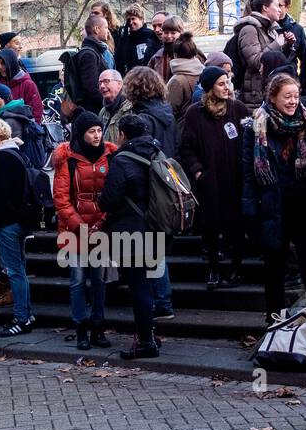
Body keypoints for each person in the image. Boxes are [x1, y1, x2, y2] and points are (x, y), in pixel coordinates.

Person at [241, 73, 306, 352]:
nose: (293, 101)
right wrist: (249, 210)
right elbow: (247, 173)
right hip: (272, 206)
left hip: (304, 206)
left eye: (295, 95)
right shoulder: (255, 126)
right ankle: (275, 328)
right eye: (287, 96)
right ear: (273, 97)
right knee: (274, 273)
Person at [98, 113, 162, 360]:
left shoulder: (123, 159)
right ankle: (151, 335)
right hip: (156, 227)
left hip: (131, 233)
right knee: (148, 284)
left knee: (138, 287)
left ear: (122, 135)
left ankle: (146, 341)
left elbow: (108, 200)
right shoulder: (156, 151)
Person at [178, 66, 248, 289]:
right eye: (221, 83)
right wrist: (198, 171)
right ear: (209, 87)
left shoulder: (238, 109)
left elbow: (248, 141)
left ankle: (235, 268)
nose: (226, 87)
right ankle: (214, 268)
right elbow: (186, 147)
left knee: (235, 226)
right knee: (209, 227)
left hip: (235, 180)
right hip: (209, 181)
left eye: (227, 82)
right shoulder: (194, 113)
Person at [53, 111, 116, 350]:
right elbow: (61, 198)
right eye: (92, 131)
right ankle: (81, 327)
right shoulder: (67, 159)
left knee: (99, 280)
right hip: (74, 227)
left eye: (99, 130)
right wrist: (80, 225)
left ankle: (98, 327)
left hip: (100, 224)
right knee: (78, 280)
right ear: (82, 133)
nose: (97, 135)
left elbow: (114, 191)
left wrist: (102, 221)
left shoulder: (110, 155)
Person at [121, 65, 177, 320]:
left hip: (148, 184)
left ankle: (162, 301)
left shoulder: (143, 118)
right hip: (165, 181)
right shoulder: (166, 113)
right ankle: (162, 300)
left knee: (152, 249)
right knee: (157, 248)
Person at [0, 118, 36, 336]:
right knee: (19, 270)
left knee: (14, 271)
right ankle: (26, 314)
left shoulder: (0, 157)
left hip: (7, 222)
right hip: (21, 220)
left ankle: (22, 318)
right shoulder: (19, 154)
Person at [233, 0, 292, 109]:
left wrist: (287, 45)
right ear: (265, 7)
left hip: (270, 92)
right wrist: (277, 44)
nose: (280, 10)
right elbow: (256, 62)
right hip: (255, 98)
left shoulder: (271, 30)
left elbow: (276, 62)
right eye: (277, 6)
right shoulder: (249, 29)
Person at [0, 48, 44, 124]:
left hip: (24, 131)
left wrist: (29, 132)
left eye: (3, 63)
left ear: (11, 63)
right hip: (0, 130)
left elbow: (36, 112)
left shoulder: (28, 84)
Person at [68, 15, 111, 113]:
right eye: (106, 28)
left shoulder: (94, 52)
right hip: (94, 112)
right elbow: (91, 88)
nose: (107, 31)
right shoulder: (89, 54)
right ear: (96, 29)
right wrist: (108, 104)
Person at [164, 32, 204, 120]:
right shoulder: (204, 73)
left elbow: (169, 112)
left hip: (184, 129)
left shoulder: (177, 81)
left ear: (175, 54)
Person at [115, 4, 160, 74]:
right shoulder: (127, 39)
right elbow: (120, 59)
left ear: (141, 19)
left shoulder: (150, 35)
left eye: (133, 19)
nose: (130, 22)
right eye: (128, 20)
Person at [275, 0, 306, 71]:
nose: (276, 8)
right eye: (274, 5)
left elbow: (305, 58)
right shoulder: (266, 27)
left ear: (287, 7)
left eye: (279, 5)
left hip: (290, 77)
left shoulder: (298, 29)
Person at [147, 15, 184, 82]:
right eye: (166, 32)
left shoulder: (192, 54)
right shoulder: (156, 57)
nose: (169, 36)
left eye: (173, 33)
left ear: (181, 33)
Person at [98, 69, 129, 146]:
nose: (102, 86)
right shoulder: (103, 111)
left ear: (119, 84)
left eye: (106, 81)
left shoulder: (130, 109)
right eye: (100, 83)